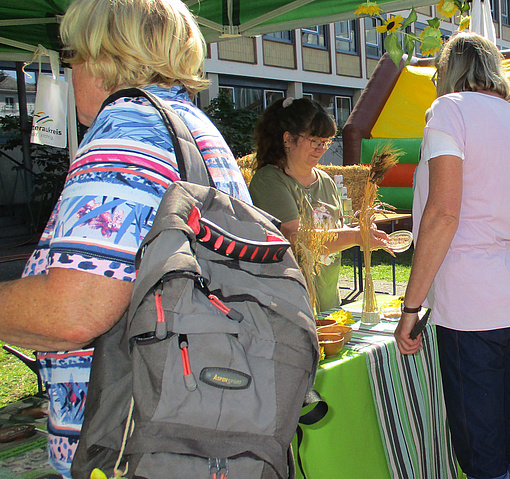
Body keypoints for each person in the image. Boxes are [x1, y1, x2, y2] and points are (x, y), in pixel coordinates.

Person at [0, 0, 250, 476]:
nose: (69, 68)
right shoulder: (192, 128)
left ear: (98, 54)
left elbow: (74, 312)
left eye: (70, 52)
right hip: (196, 422)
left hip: (127, 443)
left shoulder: (126, 134)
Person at [393, 32, 510, 479]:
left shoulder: (449, 110)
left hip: (471, 301)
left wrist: (411, 306)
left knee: (479, 448)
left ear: (447, 73)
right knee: (503, 431)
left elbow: (442, 213)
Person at [249, 97, 389, 313]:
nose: (321, 148)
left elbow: (334, 233)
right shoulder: (269, 181)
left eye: (326, 141)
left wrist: (361, 231)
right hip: (288, 309)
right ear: (288, 139)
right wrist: (355, 237)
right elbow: (298, 239)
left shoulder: (326, 182)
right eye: (314, 140)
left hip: (328, 305)